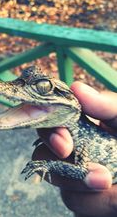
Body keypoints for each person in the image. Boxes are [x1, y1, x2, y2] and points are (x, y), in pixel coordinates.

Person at [33, 82, 117, 217]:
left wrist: (48, 165)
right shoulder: (79, 137)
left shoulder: (83, 142)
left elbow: (80, 171)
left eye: (43, 87)